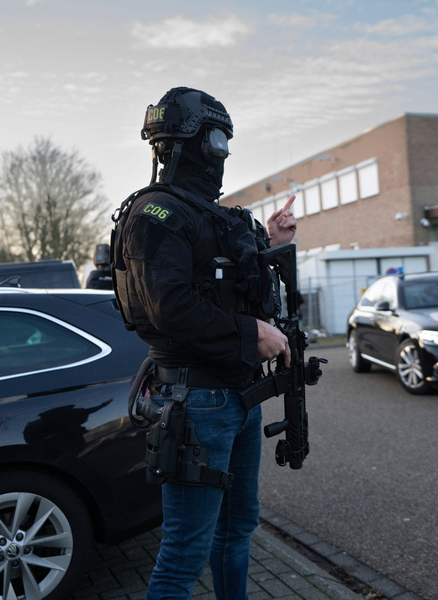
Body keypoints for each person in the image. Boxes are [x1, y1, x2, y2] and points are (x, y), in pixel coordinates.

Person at [117, 87, 297, 599]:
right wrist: (251, 333)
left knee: (237, 529)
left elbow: (225, 285)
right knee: (184, 554)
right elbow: (169, 306)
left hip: (238, 398)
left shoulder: (205, 214)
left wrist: (271, 242)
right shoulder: (156, 214)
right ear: (192, 141)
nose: (223, 153)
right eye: (219, 140)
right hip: (197, 403)